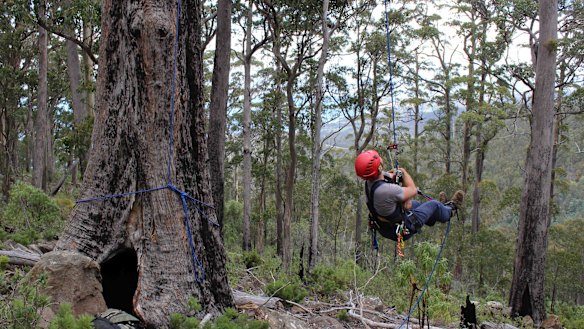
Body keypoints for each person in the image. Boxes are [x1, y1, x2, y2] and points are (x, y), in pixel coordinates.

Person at [355, 150, 464, 241]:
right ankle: (451, 209)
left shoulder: (370, 182)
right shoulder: (385, 190)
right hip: (402, 229)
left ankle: (437, 213)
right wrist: (403, 171)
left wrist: (398, 179)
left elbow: (391, 176)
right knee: (434, 204)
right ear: (378, 168)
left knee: (416, 204)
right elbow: (412, 190)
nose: (381, 159)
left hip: (386, 226)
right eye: (379, 159)